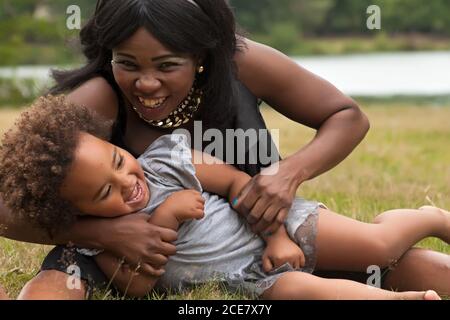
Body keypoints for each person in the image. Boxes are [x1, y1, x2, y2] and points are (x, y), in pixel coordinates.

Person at [0, 0, 447, 299]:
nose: (146, 83)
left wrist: (287, 175)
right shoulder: (96, 99)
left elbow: (348, 116)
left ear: (201, 56)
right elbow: (7, 200)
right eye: (127, 64)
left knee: (398, 260)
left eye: (167, 66)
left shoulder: (241, 63)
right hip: (122, 251)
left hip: (255, 229)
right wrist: (104, 234)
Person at [0, 95, 447, 300]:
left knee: (378, 247)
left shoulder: (169, 160)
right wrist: (167, 220)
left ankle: (428, 218)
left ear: (114, 143)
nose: (126, 184)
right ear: (76, 211)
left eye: (118, 162)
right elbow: (140, 286)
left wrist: (276, 239)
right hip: (250, 279)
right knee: (304, 291)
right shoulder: (98, 242)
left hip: (276, 228)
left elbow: (241, 187)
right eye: (104, 193)